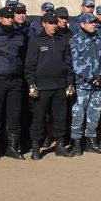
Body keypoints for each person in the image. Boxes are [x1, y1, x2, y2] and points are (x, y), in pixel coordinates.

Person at [25, 11, 74, 159]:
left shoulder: (62, 41)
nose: (53, 25)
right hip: (42, 88)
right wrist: (31, 84)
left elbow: (68, 64)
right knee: (39, 118)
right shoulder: (36, 41)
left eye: (55, 23)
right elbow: (30, 65)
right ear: (43, 24)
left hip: (60, 86)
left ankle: (60, 146)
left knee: (60, 118)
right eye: (50, 23)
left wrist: (69, 84)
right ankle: (36, 148)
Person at [0, 6, 28, 162]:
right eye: (6, 17)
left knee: (14, 115)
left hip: (15, 80)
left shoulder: (19, 35)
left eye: (11, 17)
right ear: (0, 18)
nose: (10, 19)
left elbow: (22, 55)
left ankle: (12, 147)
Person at [69, 13, 101, 155]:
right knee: (78, 115)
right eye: (90, 22)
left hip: (98, 85)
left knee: (94, 114)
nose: (94, 24)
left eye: (94, 22)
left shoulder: (100, 40)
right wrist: (91, 77)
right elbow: (75, 64)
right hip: (81, 84)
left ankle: (91, 142)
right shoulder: (75, 41)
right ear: (82, 24)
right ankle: (76, 143)